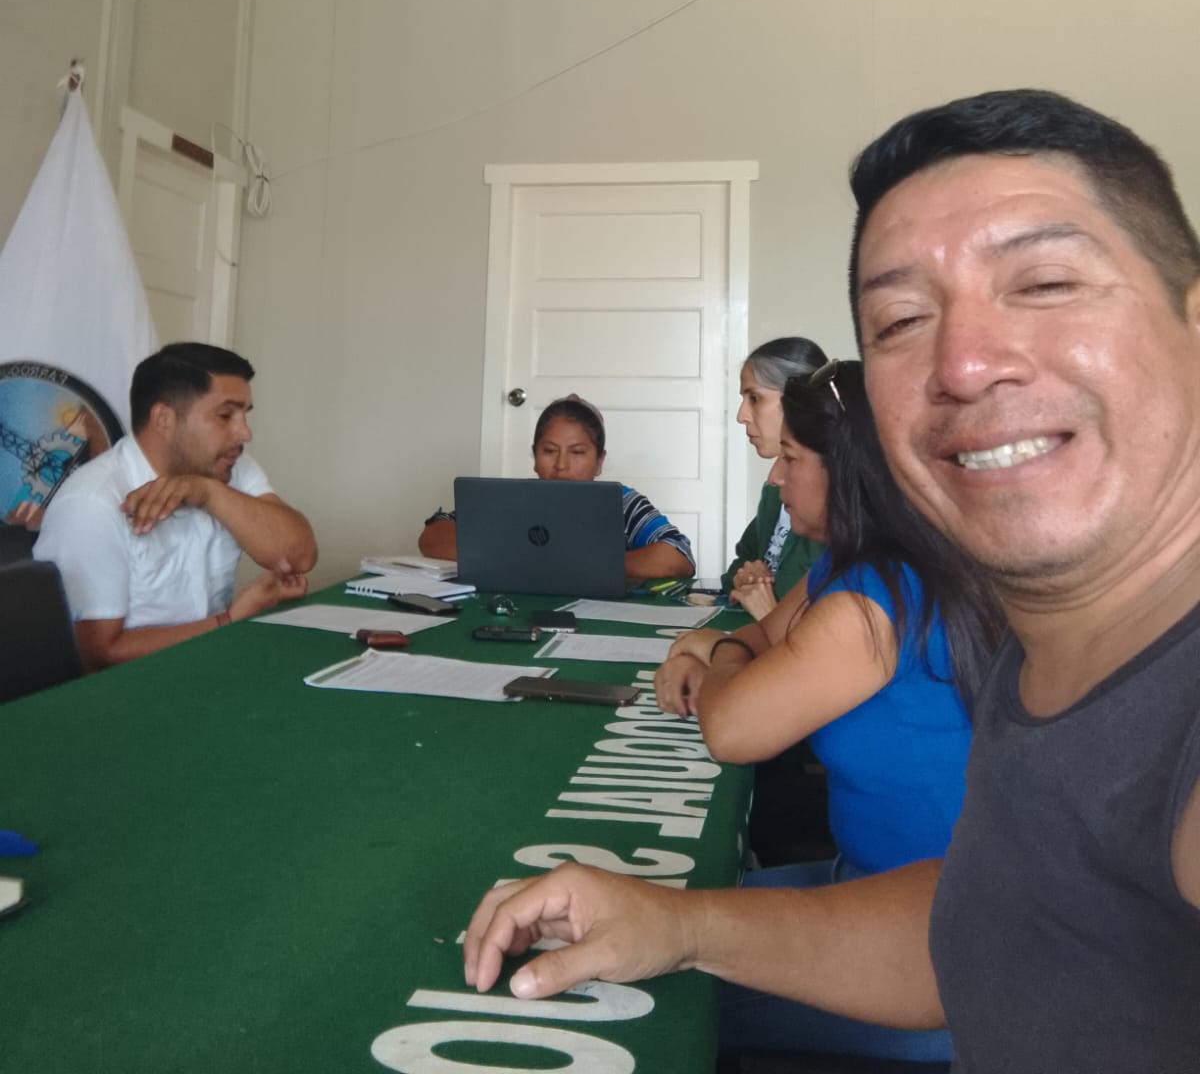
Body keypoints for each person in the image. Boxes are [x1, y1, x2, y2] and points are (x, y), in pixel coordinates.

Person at [462, 89, 1200, 1073]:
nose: (965, 363)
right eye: (902, 320)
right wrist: (678, 925)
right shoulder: (1043, 637)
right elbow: (992, 924)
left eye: (1046, 282)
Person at [659, 360, 998, 1061]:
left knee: (658, 983)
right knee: (667, 903)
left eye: (790, 459)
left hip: (937, 952)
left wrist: (717, 656)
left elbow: (732, 728)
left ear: (846, 471)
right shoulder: (863, 563)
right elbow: (763, 635)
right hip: (870, 889)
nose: (777, 480)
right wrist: (730, 649)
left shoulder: (872, 601)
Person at [35, 342, 316, 671]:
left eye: (245, 415)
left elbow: (300, 556)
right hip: (130, 688)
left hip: (209, 667)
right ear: (164, 419)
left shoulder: (228, 468)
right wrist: (228, 622)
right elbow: (97, 656)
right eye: (226, 415)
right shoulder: (92, 503)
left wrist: (209, 493)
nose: (245, 433)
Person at [420, 395, 695, 581]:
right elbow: (432, 536)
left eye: (577, 452)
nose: (561, 465)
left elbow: (678, 555)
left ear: (599, 461)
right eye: (549, 451)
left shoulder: (622, 503)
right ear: (534, 456)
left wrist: (583, 566)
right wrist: (519, 557)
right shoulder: (511, 499)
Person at [721, 336, 828, 618]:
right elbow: (742, 561)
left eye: (754, 398)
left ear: (798, 401)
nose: (741, 415)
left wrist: (768, 610)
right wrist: (747, 579)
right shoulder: (774, 489)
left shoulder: (834, 504)